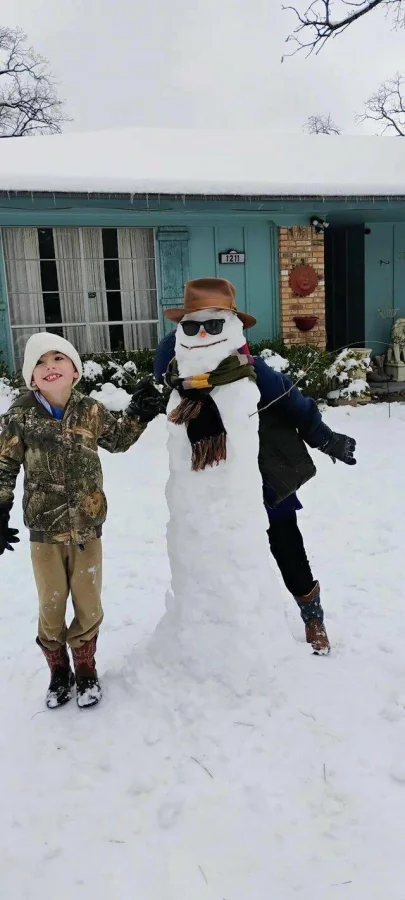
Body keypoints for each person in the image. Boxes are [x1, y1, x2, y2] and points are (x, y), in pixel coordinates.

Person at [154, 278, 357, 656]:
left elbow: (295, 403)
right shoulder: (175, 357)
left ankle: (312, 614)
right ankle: (215, 620)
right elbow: (161, 379)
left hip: (264, 477)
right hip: (208, 483)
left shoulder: (251, 369)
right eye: (194, 324)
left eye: (214, 324)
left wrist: (325, 438)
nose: (203, 333)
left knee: (286, 543)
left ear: (231, 324)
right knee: (213, 548)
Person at [0, 332, 162, 709]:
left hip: (88, 526)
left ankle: (85, 667)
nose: (50, 366)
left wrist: (139, 412)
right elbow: (4, 465)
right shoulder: (19, 416)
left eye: (58, 358)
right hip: (45, 531)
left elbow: (117, 439)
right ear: (31, 377)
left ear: (75, 370)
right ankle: (59, 670)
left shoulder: (90, 409)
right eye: (40, 362)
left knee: (88, 602)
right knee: (51, 603)